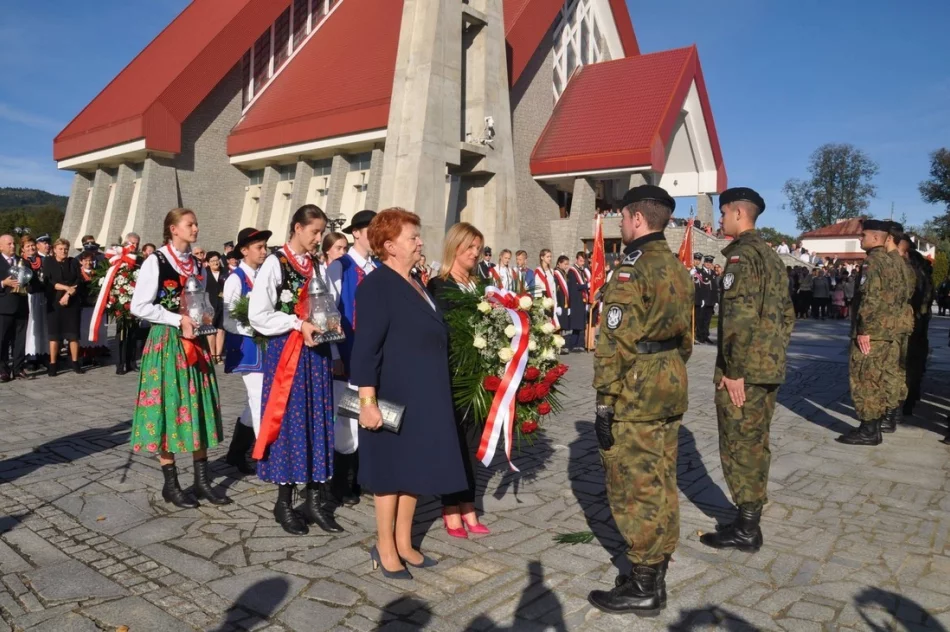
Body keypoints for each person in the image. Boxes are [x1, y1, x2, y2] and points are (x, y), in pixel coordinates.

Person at [588, 185, 693, 615]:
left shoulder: (631, 269)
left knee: (634, 483)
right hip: (670, 381)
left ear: (635, 219)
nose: (620, 224)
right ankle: (656, 568)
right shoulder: (677, 266)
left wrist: (604, 402)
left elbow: (614, 341)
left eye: (622, 218)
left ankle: (645, 582)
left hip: (637, 390)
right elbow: (686, 337)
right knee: (664, 477)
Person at [351, 208, 467, 579]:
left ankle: (404, 542)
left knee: (412, 470)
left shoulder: (417, 282)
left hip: (422, 394)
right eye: (412, 238)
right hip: (391, 395)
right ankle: (384, 546)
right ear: (389, 246)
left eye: (418, 236)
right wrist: (367, 402)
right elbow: (365, 348)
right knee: (389, 474)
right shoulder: (376, 285)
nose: (420, 242)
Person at [700, 187, 793, 553]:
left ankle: (746, 527)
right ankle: (748, 520)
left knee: (739, 445)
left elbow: (737, 320)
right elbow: (787, 315)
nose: (719, 219)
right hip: (766, 369)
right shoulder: (770, 256)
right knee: (757, 443)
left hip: (743, 373)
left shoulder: (741, 257)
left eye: (723, 213)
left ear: (739, 213)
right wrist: (771, 355)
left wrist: (735, 371)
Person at [249, 205, 342, 535]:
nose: (319, 238)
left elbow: (325, 305)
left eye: (321, 232)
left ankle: (315, 501)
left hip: (315, 357)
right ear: (297, 228)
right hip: (287, 356)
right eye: (315, 231)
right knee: (288, 422)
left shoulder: (317, 263)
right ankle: (284, 502)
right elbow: (258, 314)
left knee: (317, 419)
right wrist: (295, 322)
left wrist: (330, 338)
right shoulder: (276, 262)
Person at [129, 208, 230, 508]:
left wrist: (205, 314)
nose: (196, 228)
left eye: (196, 223)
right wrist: (176, 319)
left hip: (195, 341)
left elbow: (201, 300)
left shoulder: (195, 263)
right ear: (173, 229)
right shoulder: (156, 261)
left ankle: (202, 480)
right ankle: (170, 484)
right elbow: (139, 306)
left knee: (197, 404)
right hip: (168, 343)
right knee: (168, 406)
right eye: (190, 224)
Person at [427, 223, 492, 539]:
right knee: (454, 446)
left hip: (479, 377)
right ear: (455, 247)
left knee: (473, 444)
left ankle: (469, 503)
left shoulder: (480, 284)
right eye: (470, 248)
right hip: (452, 376)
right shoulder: (438, 286)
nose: (475, 254)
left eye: (478, 249)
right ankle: (451, 507)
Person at [326, 210, 378, 506]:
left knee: (369, 415)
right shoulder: (340, 267)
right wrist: (334, 353)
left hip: (373, 355)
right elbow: (330, 313)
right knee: (346, 420)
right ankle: (340, 483)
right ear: (356, 233)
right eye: (371, 229)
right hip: (347, 354)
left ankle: (360, 477)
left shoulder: (377, 267)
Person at [836, 219, 901, 446]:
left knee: (865, 379)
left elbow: (871, 298)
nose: (860, 239)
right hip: (886, 331)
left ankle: (869, 430)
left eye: (863, 235)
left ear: (875, 238)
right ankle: (874, 425)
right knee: (877, 378)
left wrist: (864, 329)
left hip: (872, 332)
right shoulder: (893, 262)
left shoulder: (873, 263)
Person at [222, 227, 272, 476]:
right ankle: (265, 456)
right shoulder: (236, 278)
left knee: (255, 402)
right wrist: (256, 328)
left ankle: (235, 452)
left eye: (265, 247)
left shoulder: (265, 275)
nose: (264, 252)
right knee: (260, 400)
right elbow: (229, 319)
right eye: (259, 247)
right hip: (248, 348)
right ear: (244, 251)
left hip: (267, 346)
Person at [898, 233, 933, 418]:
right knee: (915, 364)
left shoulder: (913, 273)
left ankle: (905, 401)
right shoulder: (923, 273)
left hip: (911, 325)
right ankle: (911, 398)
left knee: (906, 364)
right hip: (919, 324)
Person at [42, 238, 84, 377]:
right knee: (54, 335)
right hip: (54, 302)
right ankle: (53, 364)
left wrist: (68, 294)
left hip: (71, 302)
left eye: (65, 248)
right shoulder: (48, 262)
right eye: (60, 249)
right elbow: (49, 281)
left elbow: (78, 279)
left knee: (73, 335)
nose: (63, 251)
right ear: (54, 250)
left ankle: (75, 362)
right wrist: (66, 288)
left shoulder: (73, 262)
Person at [0, 234, 32, 382]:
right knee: (3, 340)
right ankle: (3, 370)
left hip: (21, 306)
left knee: (20, 340)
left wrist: (28, 283)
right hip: (4, 307)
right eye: (9, 244)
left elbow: (33, 280)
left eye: (13, 243)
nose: (13, 246)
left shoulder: (22, 261)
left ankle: (18, 368)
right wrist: (3, 283)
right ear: (1, 246)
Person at [19, 236, 47, 371]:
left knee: (44, 326)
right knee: (32, 325)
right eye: (27, 246)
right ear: (23, 249)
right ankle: (31, 356)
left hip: (44, 296)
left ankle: (43, 354)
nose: (31, 248)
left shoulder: (42, 260)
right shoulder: (22, 262)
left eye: (32, 245)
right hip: (30, 296)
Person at [77, 248, 107, 366]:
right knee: (84, 332)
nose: (88, 263)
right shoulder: (78, 273)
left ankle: (95, 355)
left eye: (90, 261)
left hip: (95, 306)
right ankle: (84, 356)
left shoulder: (97, 273)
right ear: (81, 261)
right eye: (85, 260)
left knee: (96, 331)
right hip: (83, 307)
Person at [203, 251, 228, 364]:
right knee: (210, 330)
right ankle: (212, 354)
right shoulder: (204, 273)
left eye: (217, 260)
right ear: (208, 263)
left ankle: (218, 355)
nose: (215, 262)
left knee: (221, 330)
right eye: (212, 261)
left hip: (223, 304)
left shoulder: (225, 272)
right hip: (209, 304)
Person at [566, 251, 589, 352]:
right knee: (576, 324)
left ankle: (578, 344)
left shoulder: (582, 271)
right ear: (576, 259)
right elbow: (573, 287)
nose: (582, 263)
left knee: (580, 324)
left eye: (583, 261)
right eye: (580, 261)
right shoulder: (572, 271)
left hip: (582, 299)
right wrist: (586, 286)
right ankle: (573, 344)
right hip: (576, 299)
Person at [553, 255, 571, 352]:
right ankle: (557, 346)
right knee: (558, 325)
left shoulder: (563, 273)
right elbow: (556, 290)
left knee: (563, 325)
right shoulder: (556, 274)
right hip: (559, 302)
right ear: (559, 263)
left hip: (564, 303)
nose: (566, 266)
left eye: (567, 264)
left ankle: (561, 344)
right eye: (565, 264)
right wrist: (558, 305)